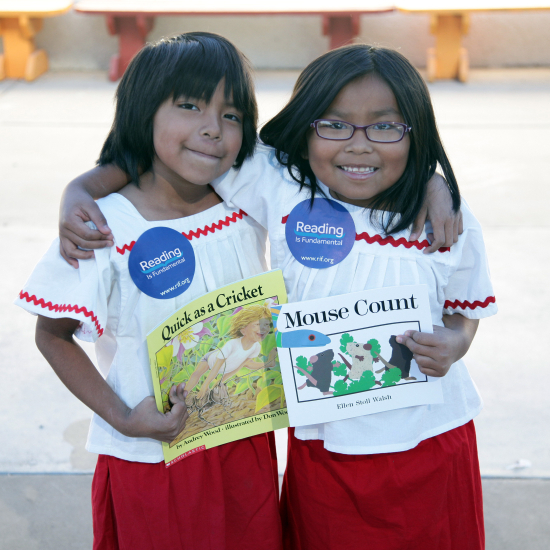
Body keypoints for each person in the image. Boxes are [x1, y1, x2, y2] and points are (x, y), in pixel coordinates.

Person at [54, 44, 481, 549]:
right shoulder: (280, 185)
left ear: (414, 133)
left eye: (385, 127)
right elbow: (177, 148)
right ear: (306, 129)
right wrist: (80, 189)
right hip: (324, 449)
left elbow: (465, 305)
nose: (359, 145)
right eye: (335, 124)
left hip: (433, 440)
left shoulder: (445, 218)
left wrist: (457, 341)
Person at [15, 33, 283, 550]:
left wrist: (432, 184)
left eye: (231, 115)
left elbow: (342, 171)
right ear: (144, 111)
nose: (212, 127)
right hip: (152, 458)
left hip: (245, 448)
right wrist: (122, 417)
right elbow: (52, 335)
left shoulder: (249, 198)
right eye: (189, 106)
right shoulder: (101, 224)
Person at [188, 303, 273, 399]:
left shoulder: (256, 347)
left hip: (226, 366)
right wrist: (205, 385)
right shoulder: (232, 344)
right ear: (243, 330)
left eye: (266, 324)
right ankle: (185, 393)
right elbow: (217, 366)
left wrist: (219, 382)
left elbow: (241, 366)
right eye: (257, 324)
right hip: (211, 360)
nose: (263, 328)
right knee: (196, 374)